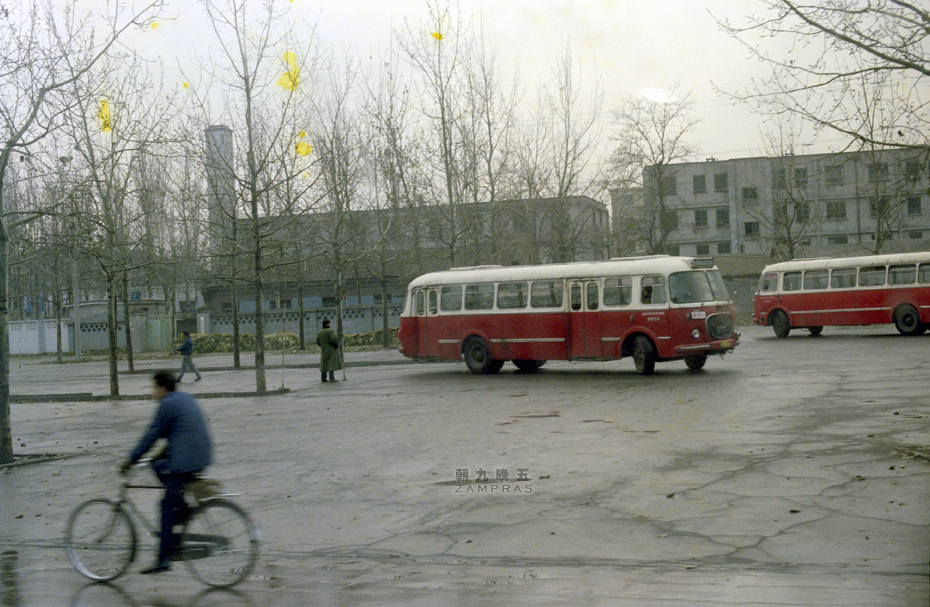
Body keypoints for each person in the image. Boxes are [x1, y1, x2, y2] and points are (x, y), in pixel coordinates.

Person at [120, 371, 212, 574]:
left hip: (186, 461)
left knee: (166, 505)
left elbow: (151, 435)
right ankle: (184, 510)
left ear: (163, 388)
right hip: (201, 456)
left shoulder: (167, 404)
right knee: (160, 469)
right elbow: (175, 433)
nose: (153, 392)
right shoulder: (183, 398)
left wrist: (131, 460)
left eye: (154, 388)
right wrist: (156, 457)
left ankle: (163, 559)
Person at [316, 318, 342, 382]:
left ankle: (323, 378)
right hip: (331, 349)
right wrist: (336, 346)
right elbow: (333, 339)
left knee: (324, 364)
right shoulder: (331, 331)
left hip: (324, 350)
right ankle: (332, 378)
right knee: (331, 364)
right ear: (327, 324)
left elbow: (317, 341)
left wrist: (322, 346)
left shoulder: (320, 332)